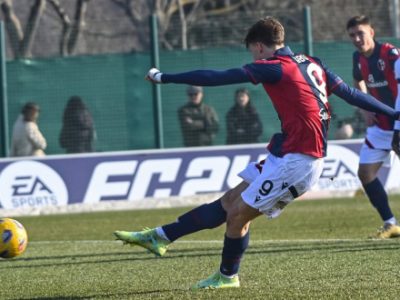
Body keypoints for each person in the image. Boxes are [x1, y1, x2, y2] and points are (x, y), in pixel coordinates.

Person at [114, 17, 400, 290]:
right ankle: (159, 236)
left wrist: (167, 78)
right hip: (286, 154)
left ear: (260, 46)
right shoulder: (312, 61)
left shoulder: (274, 66)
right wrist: (393, 113)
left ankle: (228, 277)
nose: (253, 59)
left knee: (237, 216)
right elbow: (351, 93)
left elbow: (218, 77)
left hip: (301, 162)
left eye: (253, 52)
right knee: (228, 203)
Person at [347, 15, 400, 238]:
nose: (357, 39)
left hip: (398, 123)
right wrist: (365, 107)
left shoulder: (391, 54)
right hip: (380, 127)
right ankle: (391, 224)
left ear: (372, 32)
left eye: (361, 33)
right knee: (366, 173)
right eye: (352, 35)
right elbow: (358, 81)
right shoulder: (358, 58)